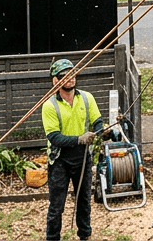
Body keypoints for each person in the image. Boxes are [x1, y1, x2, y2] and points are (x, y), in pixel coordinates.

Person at [42, 58, 105, 241]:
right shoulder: (49, 106)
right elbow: (54, 137)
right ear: (55, 81)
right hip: (59, 160)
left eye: (73, 74)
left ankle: (84, 236)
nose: (70, 78)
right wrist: (79, 139)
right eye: (65, 76)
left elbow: (97, 121)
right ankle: (53, 238)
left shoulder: (87, 98)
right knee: (56, 206)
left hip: (83, 157)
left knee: (84, 201)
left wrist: (102, 132)